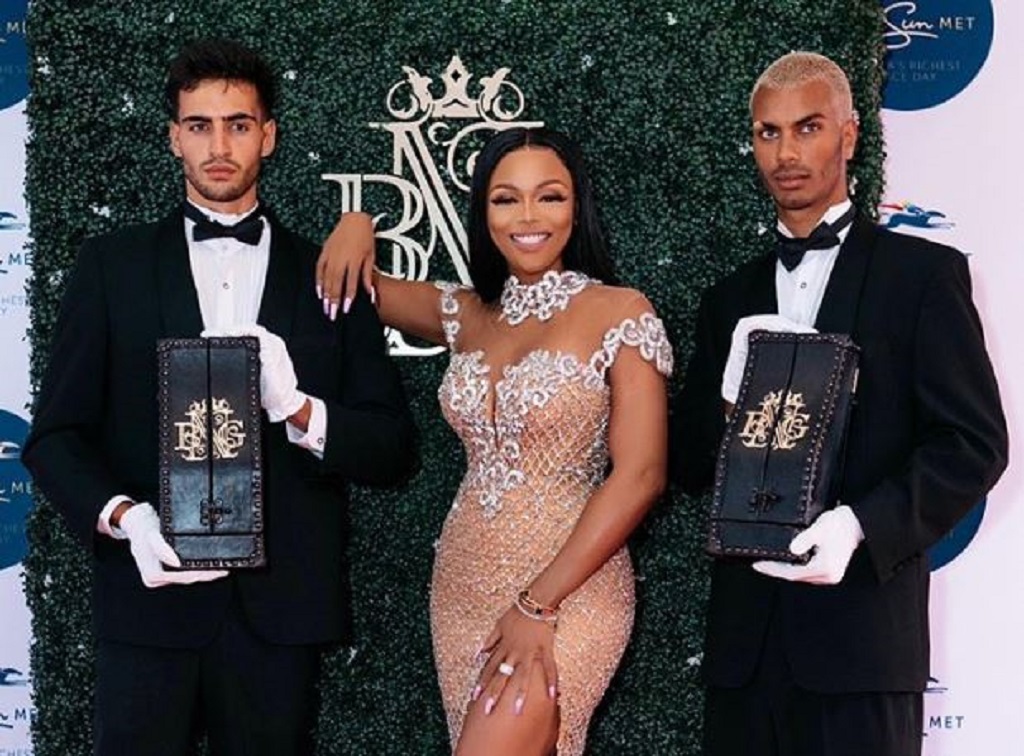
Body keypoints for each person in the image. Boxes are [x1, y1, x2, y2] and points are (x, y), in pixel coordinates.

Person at [22, 38, 415, 756]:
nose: (220, 146)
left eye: (238, 124)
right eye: (199, 125)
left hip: (280, 614)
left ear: (269, 135)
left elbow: (392, 448)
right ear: (175, 137)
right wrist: (126, 518)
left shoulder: (329, 273)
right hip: (146, 604)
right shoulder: (111, 267)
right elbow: (54, 438)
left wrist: (298, 409)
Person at [673, 51, 1007, 756]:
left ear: (849, 136)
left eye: (808, 127)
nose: (786, 153)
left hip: (864, 649)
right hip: (744, 658)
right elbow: (688, 463)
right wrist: (729, 398)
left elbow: (973, 444)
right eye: (768, 132)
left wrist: (859, 525)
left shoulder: (923, 277)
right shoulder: (727, 300)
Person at [317, 126, 673, 755]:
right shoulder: (467, 313)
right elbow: (358, 288)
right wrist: (356, 223)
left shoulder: (620, 311)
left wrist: (538, 604)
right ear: (483, 214)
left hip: (570, 587)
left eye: (549, 196)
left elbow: (640, 476)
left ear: (577, 207)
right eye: (506, 199)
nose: (528, 217)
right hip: (462, 584)